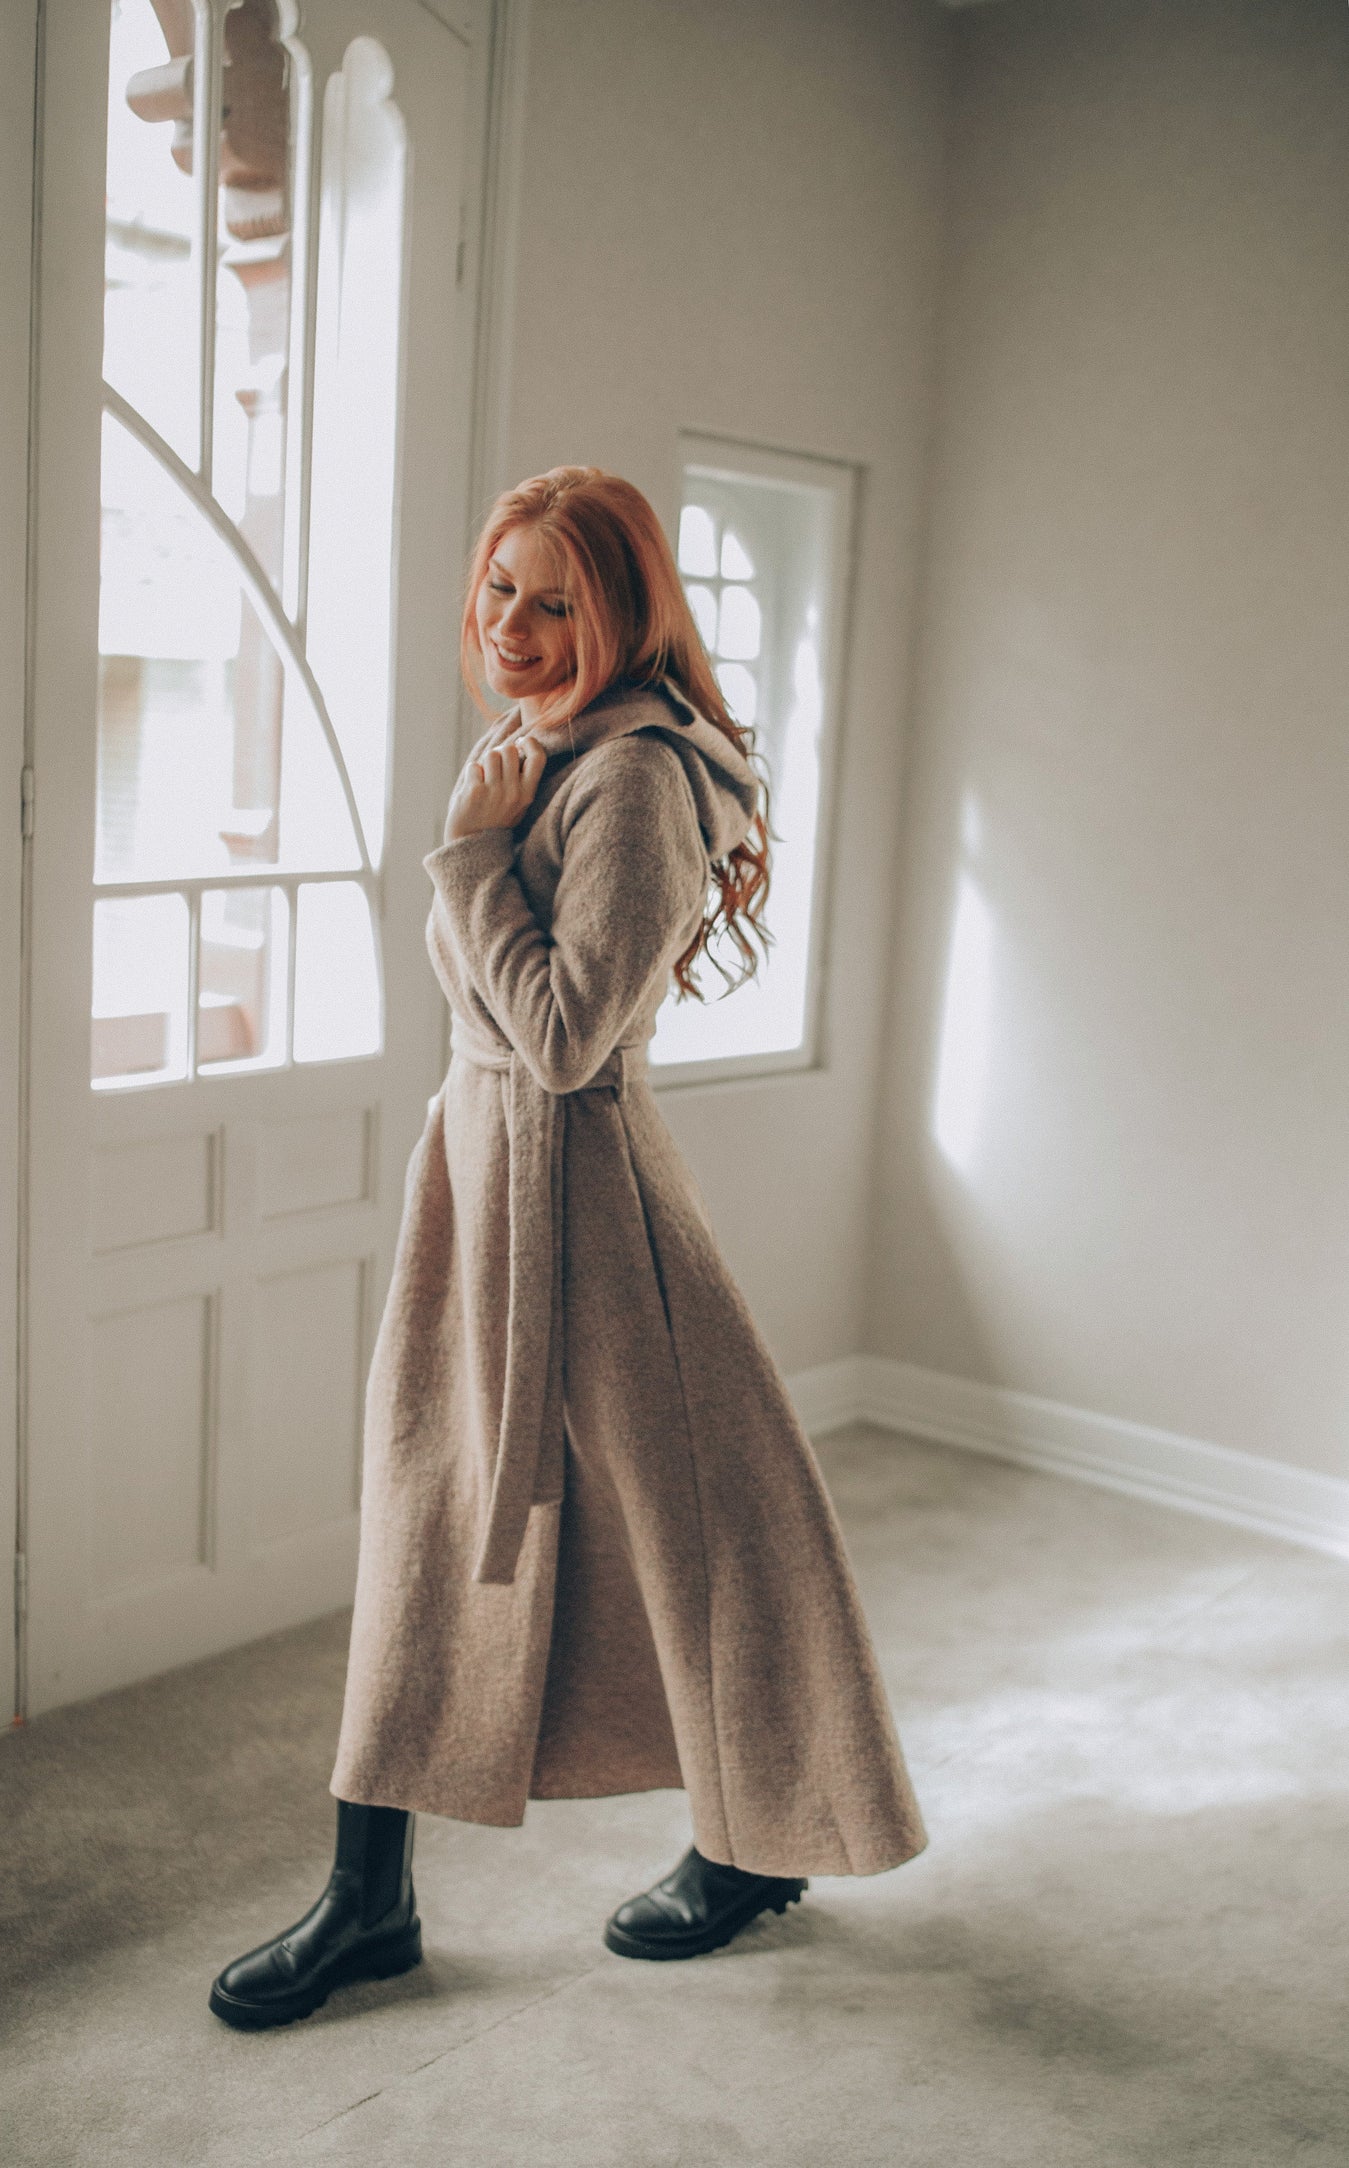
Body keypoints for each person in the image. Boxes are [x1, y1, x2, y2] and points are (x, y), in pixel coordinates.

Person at [208, 467, 927, 2030]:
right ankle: (367, 1899)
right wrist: (480, 845)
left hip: (583, 1193)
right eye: (498, 592)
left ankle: (756, 1843)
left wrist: (469, 862)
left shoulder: (638, 780)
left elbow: (562, 1034)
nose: (513, 630)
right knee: (426, 1521)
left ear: (625, 612)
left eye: (554, 601)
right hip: (477, 1184)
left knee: (710, 1522)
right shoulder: (534, 752)